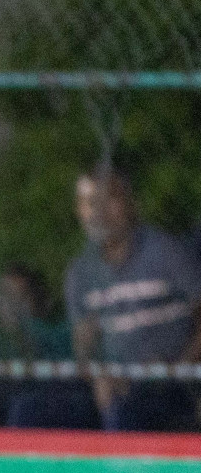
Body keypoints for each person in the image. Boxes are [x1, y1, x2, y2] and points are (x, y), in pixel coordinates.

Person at [65, 166, 201, 431]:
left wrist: (176, 371)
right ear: (79, 212)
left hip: (176, 385)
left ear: (131, 203)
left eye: (110, 199)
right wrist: (98, 375)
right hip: (116, 389)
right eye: (90, 203)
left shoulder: (166, 252)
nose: (100, 212)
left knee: (126, 412)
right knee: (31, 411)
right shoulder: (79, 274)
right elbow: (83, 347)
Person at [0, 263, 97, 429]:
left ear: (40, 300)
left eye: (19, 297)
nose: (12, 307)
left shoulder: (63, 337)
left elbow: (77, 386)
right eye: (5, 297)